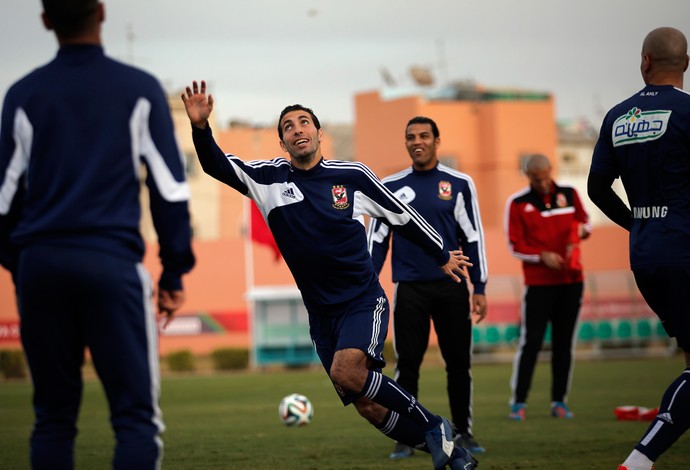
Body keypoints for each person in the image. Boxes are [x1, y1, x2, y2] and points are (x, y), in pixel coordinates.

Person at [182, 81, 477, 470]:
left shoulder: (352, 176)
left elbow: (400, 216)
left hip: (361, 300)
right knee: (365, 404)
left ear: (320, 134)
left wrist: (441, 252)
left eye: (304, 122)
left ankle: (434, 425)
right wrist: (201, 129)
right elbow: (216, 165)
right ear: (283, 144)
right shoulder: (267, 179)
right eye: (288, 127)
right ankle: (452, 455)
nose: (297, 129)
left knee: (347, 372)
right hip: (321, 316)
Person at [0, 1, 195, 468]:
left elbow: (3, 204)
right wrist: (173, 272)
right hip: (111, 265)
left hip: (40, 269)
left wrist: (22, 267)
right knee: (134, 420)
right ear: (102, 13)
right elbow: (169, 191)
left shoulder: (23, 94)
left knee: (52, 418)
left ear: (45, 20)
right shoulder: (139, 89)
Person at [588, 26, 690, 470]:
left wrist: (636, 223)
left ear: (645, 62)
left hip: (646, 254)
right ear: (685, 63)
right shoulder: (688, 112)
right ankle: (641, 459)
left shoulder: (618, 116)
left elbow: (596, 187)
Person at [367, 116, 488, 460]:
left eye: (424, 135)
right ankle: (406, 434)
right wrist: (367, 284)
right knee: (407, 364)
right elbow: (377, 240)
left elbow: (473, 236)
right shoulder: (388, 185)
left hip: (452, 289)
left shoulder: (459, 182)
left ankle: (463, 431)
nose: (417, 141)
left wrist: (479, 285)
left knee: (458, 363)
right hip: (410, 289)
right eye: (410, 137)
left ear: (437, 140)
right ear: (405, 143)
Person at [505, 154, 591, 421]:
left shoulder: (569, 193)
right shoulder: (518, 203)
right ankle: (519, 402)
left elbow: (586, 223)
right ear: (528, 175)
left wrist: (579, 232)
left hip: (572, 281)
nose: (541, 183)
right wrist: (542, 256)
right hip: (539, 285)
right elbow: (515, 246)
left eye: (543, 177)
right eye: (535, 178)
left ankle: (559, 402)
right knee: (531, 343)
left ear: (550, 171)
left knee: (564, 344)